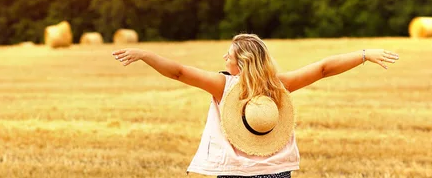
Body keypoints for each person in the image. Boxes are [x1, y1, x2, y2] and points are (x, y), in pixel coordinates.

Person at [112, 33, 399, 177]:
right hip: (278, 171)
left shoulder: (223, 86)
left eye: (229, 55)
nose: (224, 58)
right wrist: (364, 53)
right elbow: (323, 68)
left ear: (242, 62)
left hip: (235, 172)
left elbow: (178, 72)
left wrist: (145, 54)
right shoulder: (279, 85)